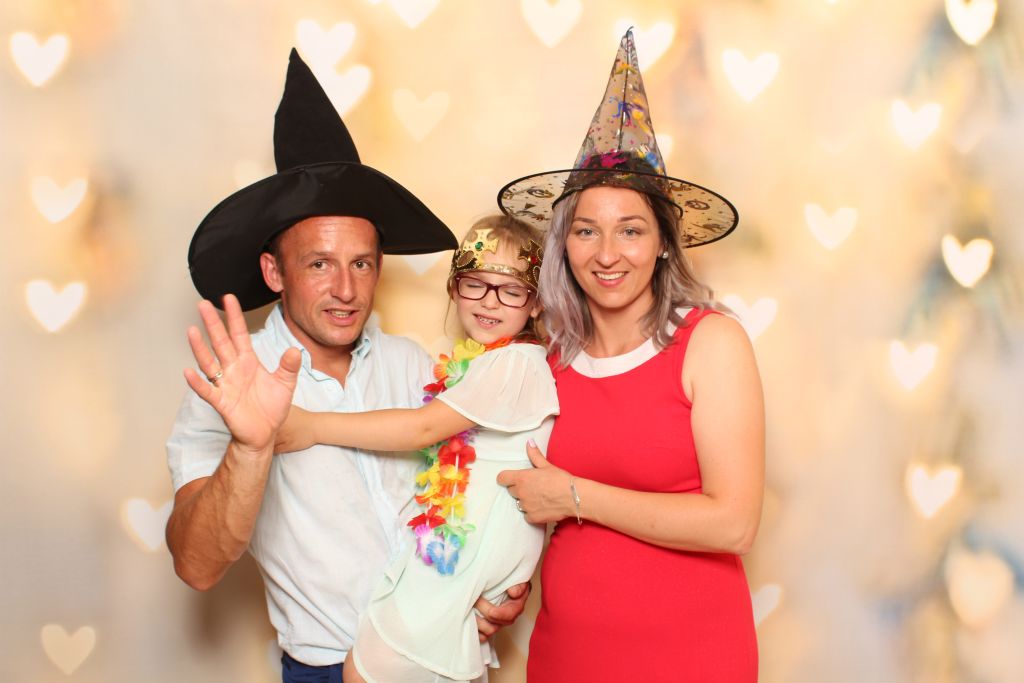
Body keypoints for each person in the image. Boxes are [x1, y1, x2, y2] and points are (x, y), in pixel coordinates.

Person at [165, 50, 528, 683]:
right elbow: (196, 565)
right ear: (273, 271)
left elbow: (475, 491)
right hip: (332, 669)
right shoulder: (229, 385)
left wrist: (499, 585)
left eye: (361, 263)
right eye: (319, 264)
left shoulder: (414, 366)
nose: (345, 289)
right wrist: (251, 447)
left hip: (447, 659)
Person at [496, 30, 765, 681]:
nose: (607, 254)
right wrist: (493, 588)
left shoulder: (711, 343)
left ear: (665, 243)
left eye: (631, 230)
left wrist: (574, 495)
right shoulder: (544, 358)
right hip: (567, 660)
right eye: (586, 230)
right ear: (564, 245)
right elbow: (513, 496)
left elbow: (733, 522)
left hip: (693, 660)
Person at [215, 214, 556, 683]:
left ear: (536, 303)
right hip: (346, 639)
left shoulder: (510, 364)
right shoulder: (477, 368)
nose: (490, 300)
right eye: (475, 284)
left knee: (364, 671)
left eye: (511, 290)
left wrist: (312, 426)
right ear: (454, 289)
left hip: (455, 573)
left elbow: (423, 429)